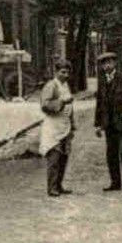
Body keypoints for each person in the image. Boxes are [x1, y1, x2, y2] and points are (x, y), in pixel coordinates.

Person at [93, 51, 122, 193]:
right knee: (111, 154)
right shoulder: (102, 81)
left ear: (115, 63)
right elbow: (99, 104)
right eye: (104, 63)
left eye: (109, 62)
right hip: (108, 124)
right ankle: (115, 182)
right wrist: (98, 124)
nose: (107, 66)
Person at [38, 59, 75, 197]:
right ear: (56, 72)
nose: (65, 75)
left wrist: (72, 125)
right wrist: (62, 102)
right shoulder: (51, 86)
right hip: (53, 126)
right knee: (54, 157)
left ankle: (59, 185)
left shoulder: (65, 86)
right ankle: (52, 187)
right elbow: (45, 105)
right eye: (62, 72)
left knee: (64, 157)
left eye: (67, 72)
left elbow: (71, 107)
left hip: (64, 125)